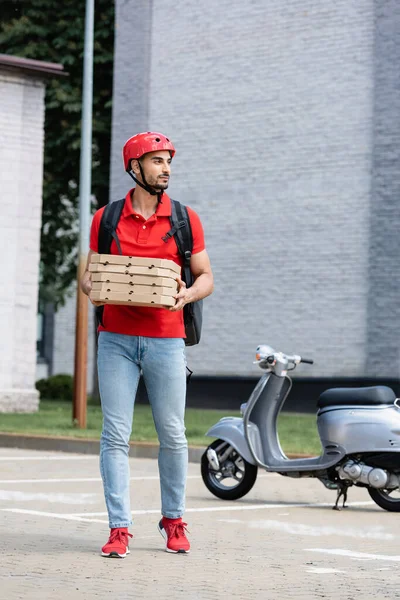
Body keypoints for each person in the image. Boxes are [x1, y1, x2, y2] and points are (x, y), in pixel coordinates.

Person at [81, 132, 214, 556]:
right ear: (134, 168)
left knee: (173, 434)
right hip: (115, 339)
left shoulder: (184, 219)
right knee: (114, 435)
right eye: (157, 161)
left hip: (166, 339)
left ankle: (173, 520)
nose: (166, 168)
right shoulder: (106, 218)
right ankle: (119, 528)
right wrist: (93, 289)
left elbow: (206, 277)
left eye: (168, 161)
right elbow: (87, 276)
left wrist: (187, 293)